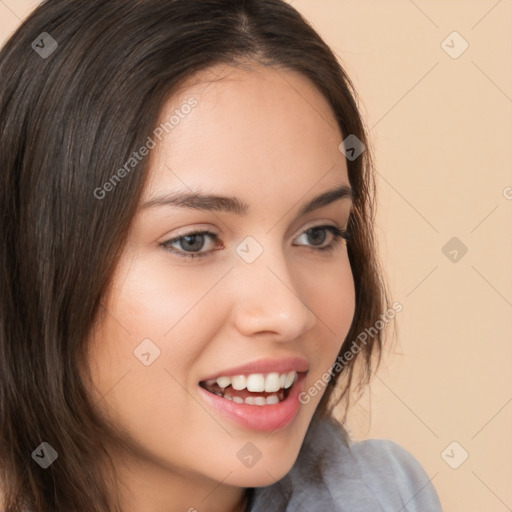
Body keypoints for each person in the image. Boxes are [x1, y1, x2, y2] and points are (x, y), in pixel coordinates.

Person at [0, 1, 443, 511]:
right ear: (32, 258)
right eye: (194, 240)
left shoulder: (381, 498)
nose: (287, 313)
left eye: (318, 234)